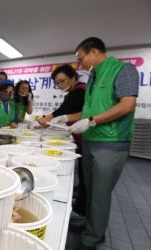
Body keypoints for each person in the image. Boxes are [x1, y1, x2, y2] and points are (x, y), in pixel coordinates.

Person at [52, 37, 138, 250]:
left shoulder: (123, 70)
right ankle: (90, 223)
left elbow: (127, 105)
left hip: (110, 142)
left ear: (94, 52)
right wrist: (67, 118)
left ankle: (93, 238)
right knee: (90, 189)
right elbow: (90, 112)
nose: (80, 64)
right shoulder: (93, 77)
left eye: (81, 59)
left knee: (100, 193)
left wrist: (91, 121)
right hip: (91, 142)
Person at [37, 64, 87, 216]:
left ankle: (80, 210)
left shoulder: (79, 91)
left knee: (85, 175)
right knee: (82, 171)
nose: (60, 85)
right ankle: (79, 200)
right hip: (77, 135)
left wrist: (43, 121)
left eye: (62, 81)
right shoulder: (73, 92)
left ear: (73, 77)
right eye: (57, 83)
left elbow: (62, 111)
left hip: (85, 135)